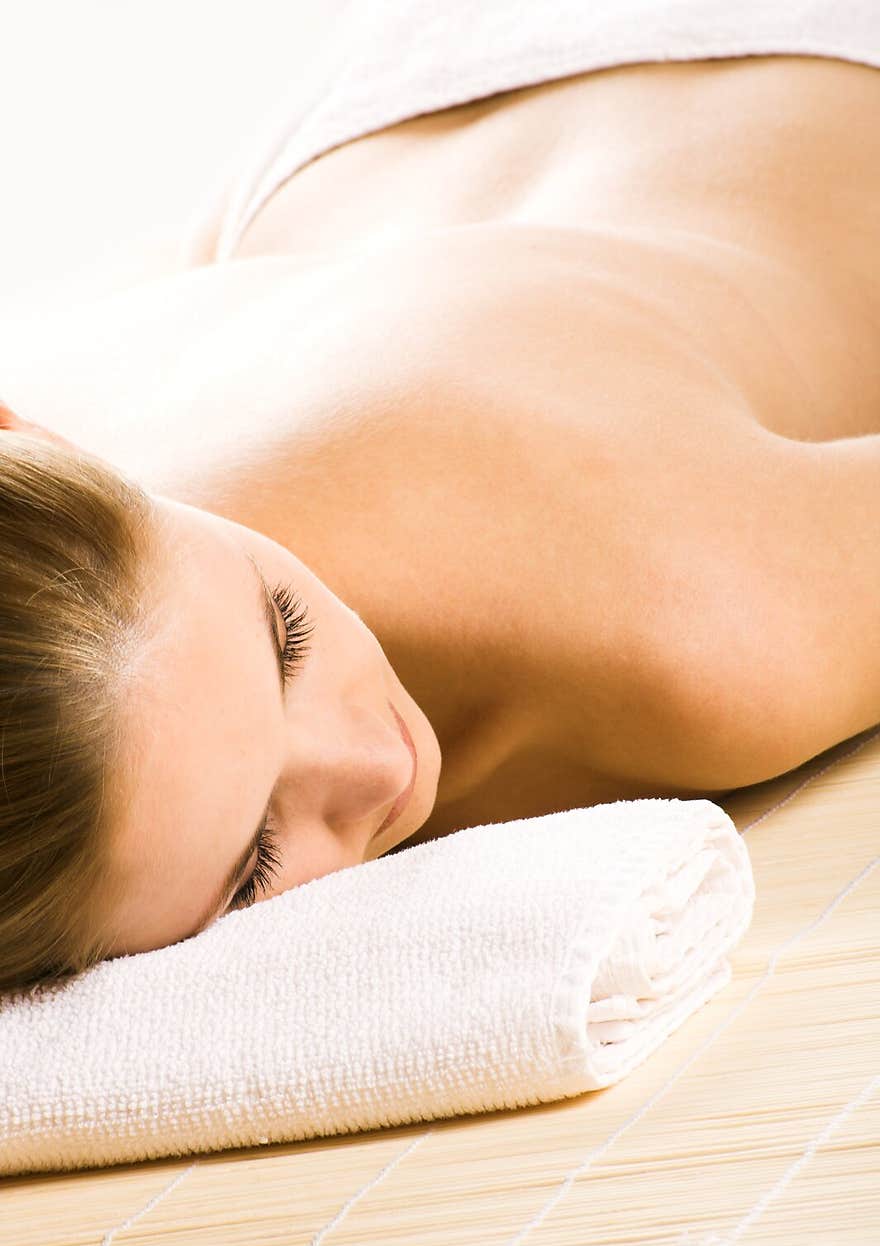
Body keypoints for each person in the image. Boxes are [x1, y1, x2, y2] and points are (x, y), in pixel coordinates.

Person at [1, 34, 878, 993]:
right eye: (253, 863)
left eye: (285, 636)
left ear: (44, 442)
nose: (380, 764)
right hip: (353, 167)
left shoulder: (692, 625)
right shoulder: (47, 489)